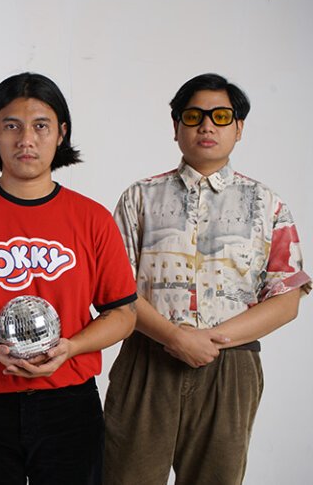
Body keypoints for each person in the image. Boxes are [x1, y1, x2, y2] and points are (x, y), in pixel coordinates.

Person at [0, 72, 138, 485]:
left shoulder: (92, 219)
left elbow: (123, 313)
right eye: (11, 125)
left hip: (70, 405)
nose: (26, 139)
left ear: (61, 133)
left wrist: (72, 347)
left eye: (40, 126)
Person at [103, 73, 311, 485]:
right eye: (193, 116)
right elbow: (116, 289)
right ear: (176, 126)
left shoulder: (267, 204)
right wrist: (174, 336)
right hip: (148, 359)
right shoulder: (139, 197)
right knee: (126, 477)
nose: (206, 126)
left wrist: (208, 340)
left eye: (220, 116)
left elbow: (286, 299)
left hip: (231, 366)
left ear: (239, 127)